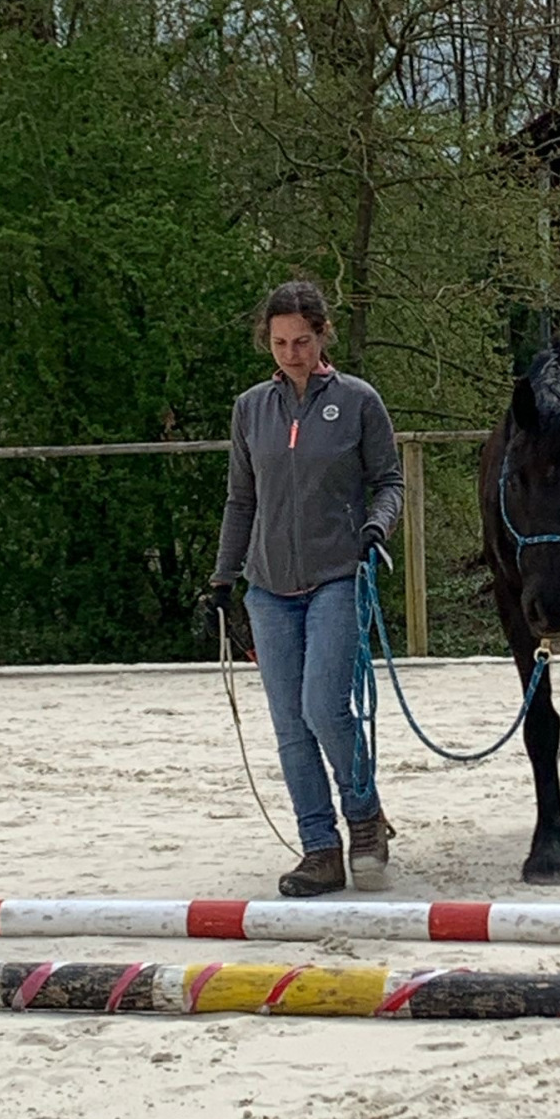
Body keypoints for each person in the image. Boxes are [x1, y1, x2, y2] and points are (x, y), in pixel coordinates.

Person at [205, 280, 403, 898]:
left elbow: (389, 482)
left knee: (324, 707)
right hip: (268, 587)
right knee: (290, 724)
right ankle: (319, 848)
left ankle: (364, 818)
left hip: (337, 576)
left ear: (322, 336)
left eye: (301, 341)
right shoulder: (250, 409)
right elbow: (242, 499)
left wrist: (377, 527)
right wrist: (222, 577)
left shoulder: (358, 401)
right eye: (280, 343)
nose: (291, 353)